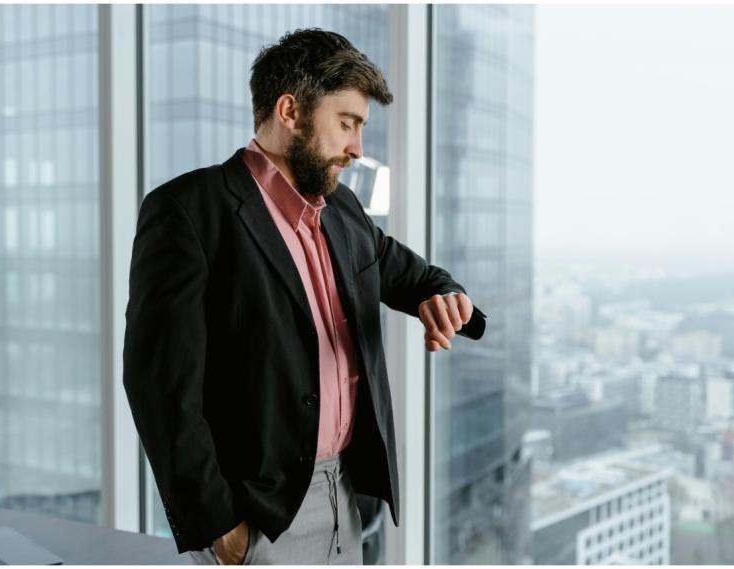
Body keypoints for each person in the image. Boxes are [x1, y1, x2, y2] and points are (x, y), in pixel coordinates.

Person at [122, 28, 486, 565]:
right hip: (259, 514)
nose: (357, 149)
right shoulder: (189, 210)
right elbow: (159, 385)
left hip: (347, 497)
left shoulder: (343, 211)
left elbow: (401, 268)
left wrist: (444, 293)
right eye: (347, 124)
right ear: (290, 111)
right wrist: (220, 523)